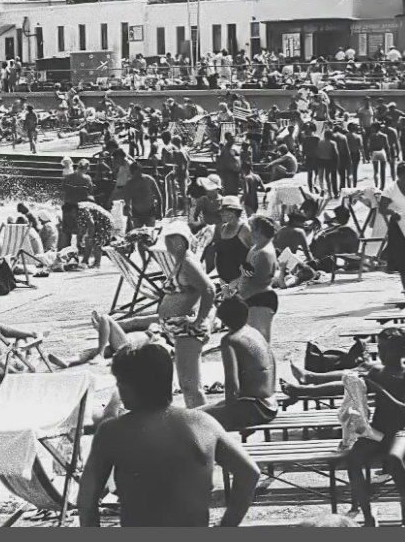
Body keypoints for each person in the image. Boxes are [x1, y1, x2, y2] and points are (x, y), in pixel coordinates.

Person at [77, 343, 259, 527]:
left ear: (128, 386)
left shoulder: (112, 431)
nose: (118, 388)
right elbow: (249, 472)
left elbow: (86, 500)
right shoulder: (203, 423)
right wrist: (227, 526)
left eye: (119, 382)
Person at [345, 328, 405, 527]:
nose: (382, 354)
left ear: (401, 350)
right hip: (377, 430)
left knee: (394, 457)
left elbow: (404, 408)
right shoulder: (377, 372)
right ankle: (367, 514)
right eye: (380, 348)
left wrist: (379, 388)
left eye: (387, 349)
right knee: (353, 459)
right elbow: (355, 386)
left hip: (401, 430)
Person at [197, 296, 278, 431]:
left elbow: (232, 384)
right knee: (196, 412)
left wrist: (229, 415)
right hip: (270, 405)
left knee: (194, 419)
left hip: (255, 409)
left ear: (223, 320)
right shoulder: (254, 332)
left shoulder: (230, 340)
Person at [159, 224, 216, 408]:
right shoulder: (181, 261)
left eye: (174, 238)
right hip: (178, 328)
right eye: (167, 238)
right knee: (187, 385)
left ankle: (202, 422)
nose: (169, 242)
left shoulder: (188, 262)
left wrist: (200, 319)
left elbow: (209, 289)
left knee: (191, 386)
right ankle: (197, 419)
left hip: (186, 329)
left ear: (184, 240)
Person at [239, 216, 279, 343]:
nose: (250, 232)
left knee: (260, 343)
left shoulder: (264, 253)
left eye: (252, 229)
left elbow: (258, 282)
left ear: (259, 231)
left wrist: (239, 297)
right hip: (253, 299)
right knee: (253, 343)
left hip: (261, 299)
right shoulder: (256, 249)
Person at [216, 196, 252, 291]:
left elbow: (253, 253)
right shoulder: (223, 228)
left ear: (233, 212)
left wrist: (243, 278)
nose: (221, 214)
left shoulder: (244, 229)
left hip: (241, 282)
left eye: (224, 211)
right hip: (225, 281)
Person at [60, 159, 93, 250]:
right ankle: (79, 244)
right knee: (81, 227)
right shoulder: (87, 178)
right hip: (80, 206)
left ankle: (66, 247)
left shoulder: (68, 177)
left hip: (68, 205)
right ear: (87, 168)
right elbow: (90, 191)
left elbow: (63, 188)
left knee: (67, 229)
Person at [75, 200, 114, 269]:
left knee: (96, 242)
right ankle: (85, 261)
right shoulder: (77, 211)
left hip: (104, 221)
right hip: (97, 220)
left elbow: (91, 224)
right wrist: (80, 238)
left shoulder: (81, 209)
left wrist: (90, 237)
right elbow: (82, 227)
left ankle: (97, 263)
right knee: (88, 241)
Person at [123, 162, 161, 230]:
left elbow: (159, 196)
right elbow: (127, 200)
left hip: (150, 211)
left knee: (150, 232)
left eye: (139, 171)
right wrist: (128, 211)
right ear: (132, 172)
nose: (138, 174)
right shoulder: (129, 183)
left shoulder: (149, 180)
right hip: (137, 213)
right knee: (137, 233)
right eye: (135, 172)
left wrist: (160, 211)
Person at [367, 123, 390, 191]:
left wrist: (369, 154)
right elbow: (387, 146)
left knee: (376, 171)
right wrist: (388, 156)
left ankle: (376, 186)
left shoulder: (371, 136)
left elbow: (369, 146)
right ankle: (382, 186)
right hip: (382, 152)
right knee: (383, 170)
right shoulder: (384, 136)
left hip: (374, 152)